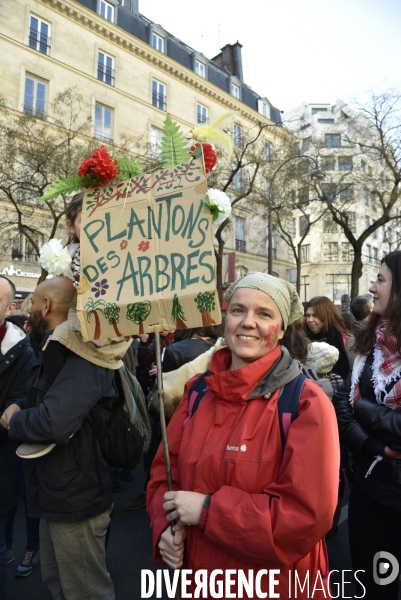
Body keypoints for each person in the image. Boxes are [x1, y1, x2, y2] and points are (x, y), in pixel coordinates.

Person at [147, 272, 340, 598]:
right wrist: (164, 529)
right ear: (226, 321)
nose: (248, 322)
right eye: (238, 310)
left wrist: (209, 511)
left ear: (279, 330)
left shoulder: (307, 403)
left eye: (264, 314)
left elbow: (305, 516)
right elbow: (164, 476)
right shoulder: (197, 392)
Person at [1, 277, 117, 600]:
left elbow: (54, 421)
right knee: (59, 586)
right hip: (56, 495)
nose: (29, 310)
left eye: (33, 303)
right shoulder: (56, 347)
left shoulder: (84, 353)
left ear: (47, 306)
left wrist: (16, 419)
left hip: (76, 501)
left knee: (85, 592)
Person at [333, 250, 401, 599]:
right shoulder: (368, 343)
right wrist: (374, 444)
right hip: (369, 490)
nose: (372, 288)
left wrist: (364, 410)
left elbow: (353, 405)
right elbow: (340, 408)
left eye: (381, 279)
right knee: (374, 587)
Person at [0, 276, 36, 599]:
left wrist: (16, 405)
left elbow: (24, 397)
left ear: (10, 307)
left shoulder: (22, 352)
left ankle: (18, 547)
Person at [304, 296, 354, 380]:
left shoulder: (348, 341)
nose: (310, 320)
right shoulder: (302, 340)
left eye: (315, 315)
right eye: (308, 315)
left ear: (327, 316)